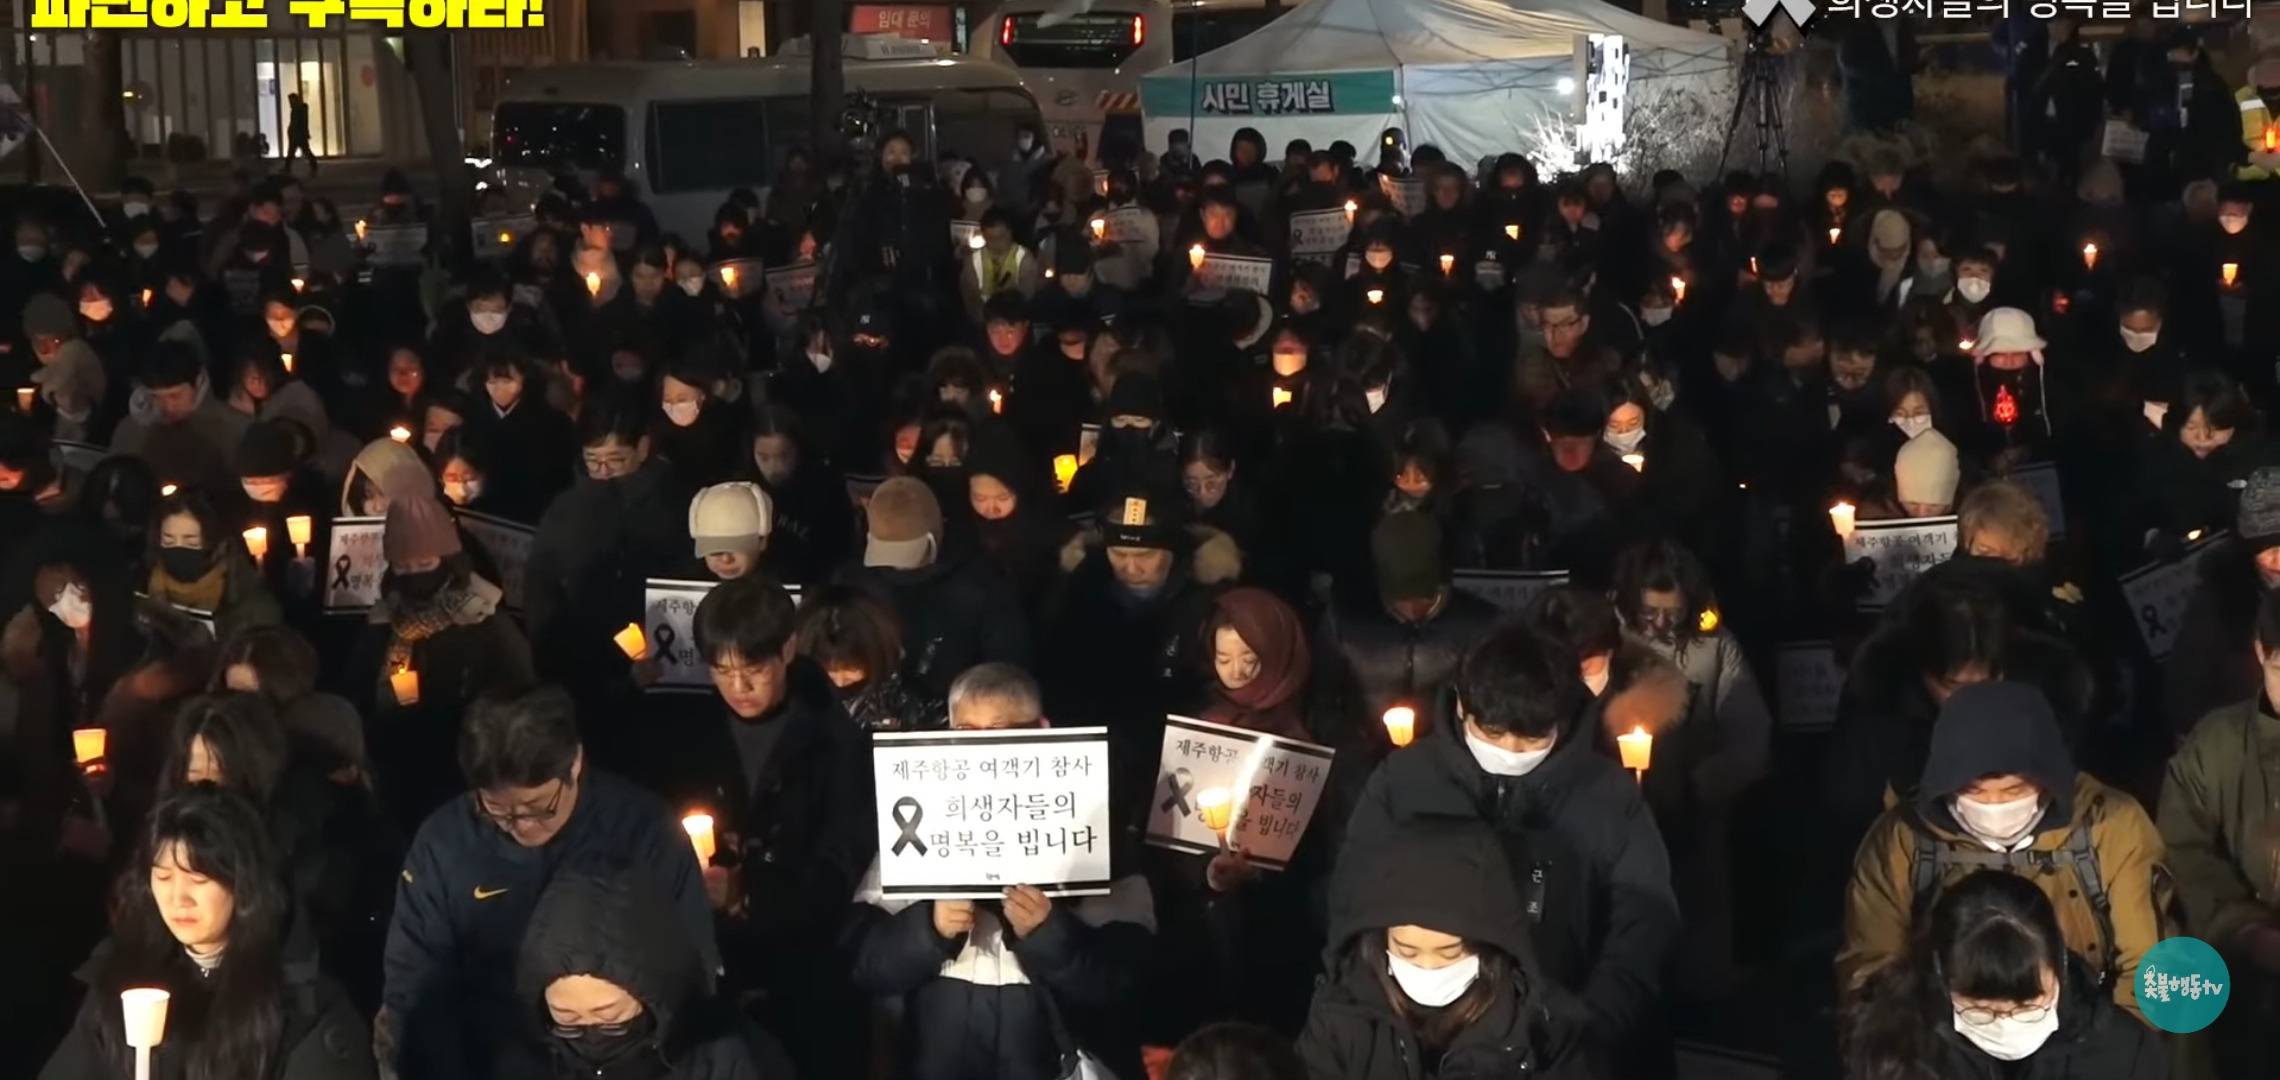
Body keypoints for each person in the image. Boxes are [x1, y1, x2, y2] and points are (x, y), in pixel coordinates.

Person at [1339, 622, 1677, 1065]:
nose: (1511, 749)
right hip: (1422, 1038)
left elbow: (1643, 922)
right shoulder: (1403, 783)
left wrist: (1588, 1025)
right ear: (1462, 706)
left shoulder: (1608, 797)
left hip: (1570, 1031)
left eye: (1532, 736)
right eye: (1494, 733)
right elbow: (1352, 897)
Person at [380, 685, 717, 1080]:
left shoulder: (643, 833)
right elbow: (414, 989)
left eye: (539, 808)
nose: (521, 826)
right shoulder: (444, 846)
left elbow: (691, 974)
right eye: (498, 811)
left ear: (574, 763)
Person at [850, 662, 1156, 1080]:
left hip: (1049, 1048)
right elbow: (867, 962)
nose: (982, 751)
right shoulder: (916, 829)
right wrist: (929, 929)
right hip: (938, 1038)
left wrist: (1050, 933)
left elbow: (1122, 978)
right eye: (967, 735)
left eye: (999, 732)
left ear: (1041, 729)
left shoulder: (1096, 836)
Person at [648, 573, 875, 1078]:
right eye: (722, 672)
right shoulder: (690, 730)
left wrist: (750, 898)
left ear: (788, 649)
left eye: (752, 668)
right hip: (706, 956)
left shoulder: (836, 737)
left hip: (809, 964)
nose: (739, 687)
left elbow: (841, 860)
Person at [1836, 681, 2166, 1024]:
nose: (1994, 804)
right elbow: (1871, 969)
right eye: (1973, 791)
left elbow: (2150, 963)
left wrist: (2118, 1054)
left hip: (2084, 1030)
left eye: (2014, 790)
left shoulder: (2110, 826)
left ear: (2048, 778)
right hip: (1944, 1036)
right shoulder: (1901, 841)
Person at [40, 786, 375, 1080]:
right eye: (164, 877)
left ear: (242, 884)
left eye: (198, 880)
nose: (178, 898)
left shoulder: (301, 1006)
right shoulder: (124, 980)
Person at [1298, 817, 1584, 1078]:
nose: (1428, 967)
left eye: (1449, 953)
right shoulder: (1340, 1014)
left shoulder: (1542, 1028)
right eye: (1407, 951)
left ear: (1490, 947)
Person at [1841, 871, 2166, 1080]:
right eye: (1982, 1010)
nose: (2006, 1024)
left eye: (2028, 1007)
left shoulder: (2124, 1049)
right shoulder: (1893, 1046)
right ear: (1941, 975)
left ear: (2060, 967)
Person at [509, 866, 795, 1078]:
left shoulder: (725, 1058)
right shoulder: (525, 1060)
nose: (591, 1037)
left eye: (610, 1018)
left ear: (653, 993)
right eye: (567, 1020)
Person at [2156, 589, 2280, 1076]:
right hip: (2242, 980)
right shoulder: (2215, 747)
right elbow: (2182, 855)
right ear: (2260, 653)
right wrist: (2243, 930)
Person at [836, 476, 1029, 697]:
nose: (899, 564)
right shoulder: (853, 582)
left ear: (934, 536)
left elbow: (1008, 669)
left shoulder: (983, 584)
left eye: (908, 551)